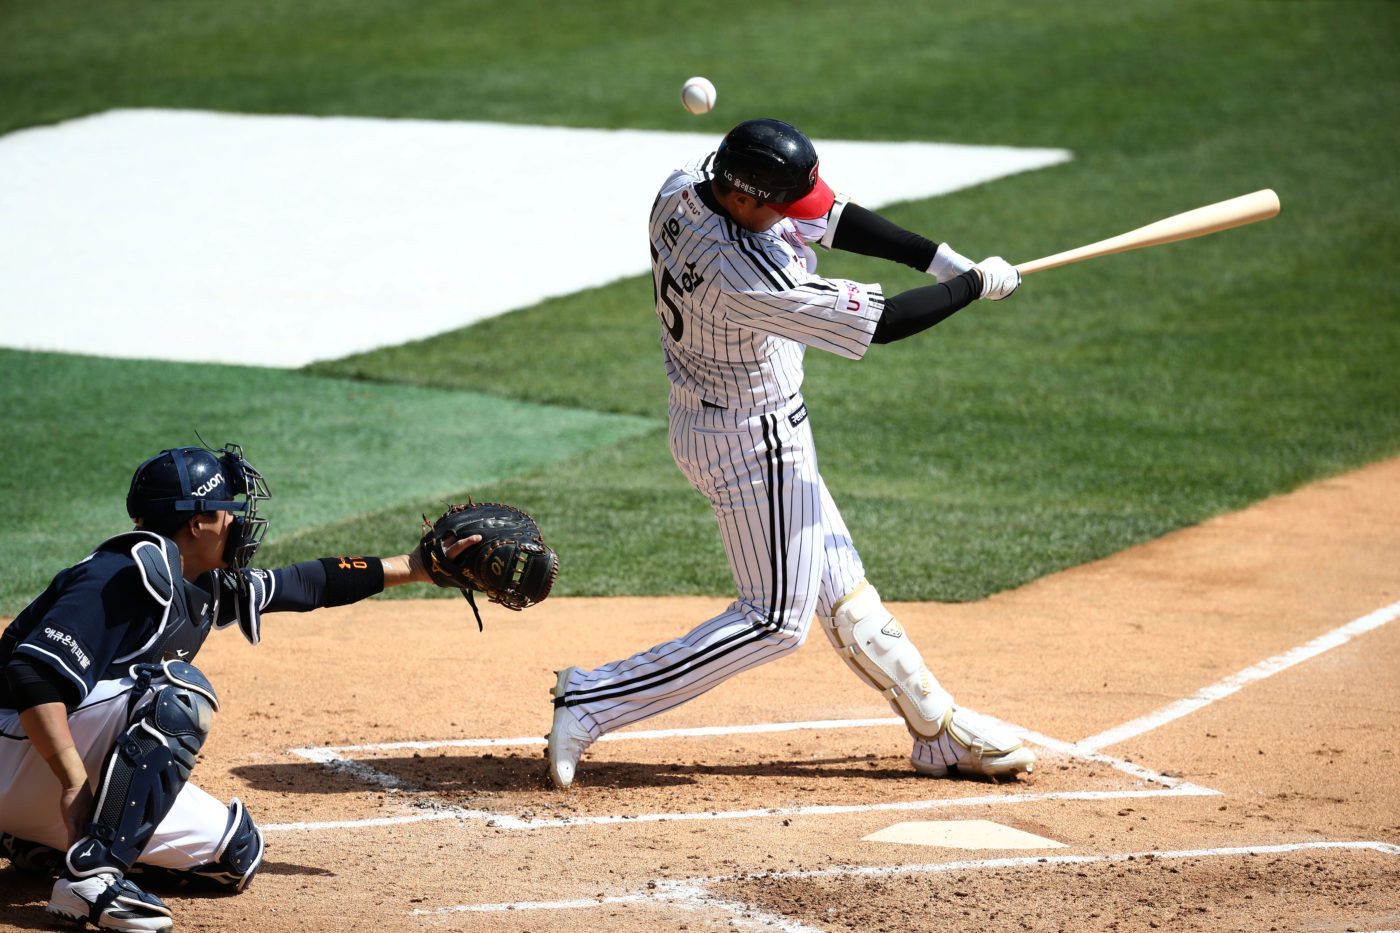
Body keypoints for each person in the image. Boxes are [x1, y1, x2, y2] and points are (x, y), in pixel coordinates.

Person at [547, 117, 1034, 789]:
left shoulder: (687, 183)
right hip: (751, 439)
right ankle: (594, 697)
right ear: (746, 199)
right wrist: (972, 286)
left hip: (715, 419)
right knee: (776, 618)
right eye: (778, 203)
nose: (791, 213)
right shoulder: (744, 274)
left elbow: (828, 216)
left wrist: (937, 257)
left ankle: (936, 729)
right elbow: (884, 323)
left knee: (842, 587)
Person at [0, 442, 476, 932]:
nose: (239, 523)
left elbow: (305, 584)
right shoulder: (122, 572)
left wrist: (415, 567)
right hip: (21, 750)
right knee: (177, 695)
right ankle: (92, 878)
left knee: (233, 853)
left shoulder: (198, 582)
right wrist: (74, 780)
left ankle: (38, 845)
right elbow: (32, 674)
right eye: (229, 511)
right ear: (198, 523)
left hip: (42, 779)